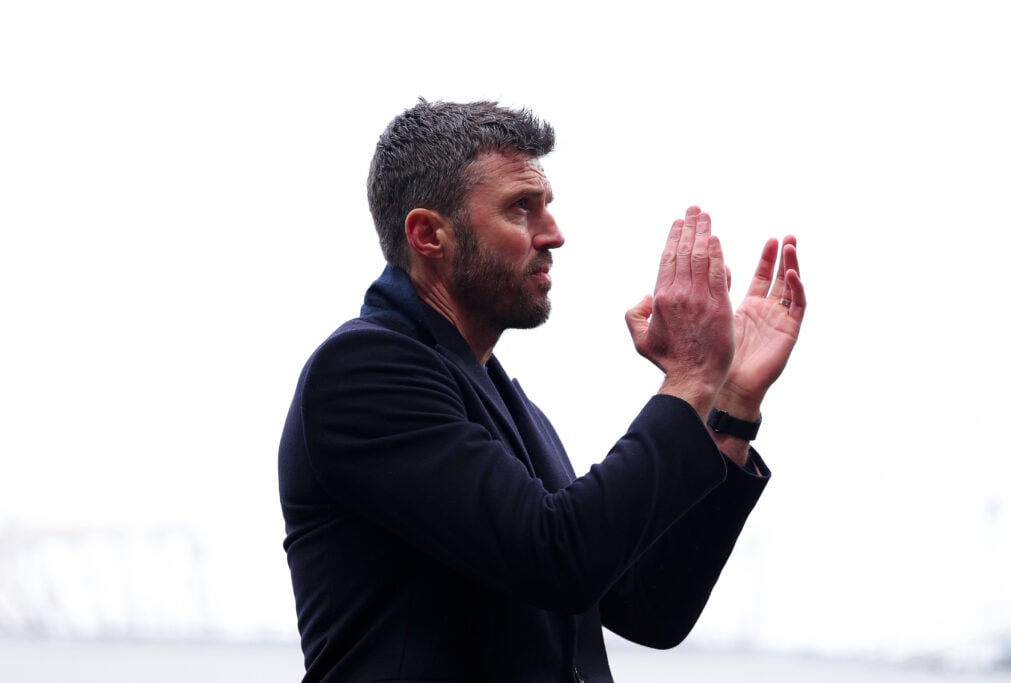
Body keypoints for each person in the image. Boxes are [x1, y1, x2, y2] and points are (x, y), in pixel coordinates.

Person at [278, 99, 806, 683]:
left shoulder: (504, 400)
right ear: (429, 235)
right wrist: (690, 378)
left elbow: (649, 607)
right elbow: (558, 557)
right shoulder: (362, 372)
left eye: (547, 206)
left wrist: (729, 405)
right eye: (520, 208)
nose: (553, 234)